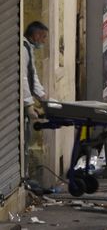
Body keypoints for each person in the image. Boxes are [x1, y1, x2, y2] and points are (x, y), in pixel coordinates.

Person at [23, 21, 48, 178]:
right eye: (43, 37)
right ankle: (23, 178)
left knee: (26, 141)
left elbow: (33, 75)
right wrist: (29, 105)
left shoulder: (28, 48)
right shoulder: (23, 48)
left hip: (26, 101)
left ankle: (24, 178)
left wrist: (43, 97)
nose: (44, 41)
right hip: (20, 104)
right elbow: (23, 78)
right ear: (36, 35)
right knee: (23, 142)